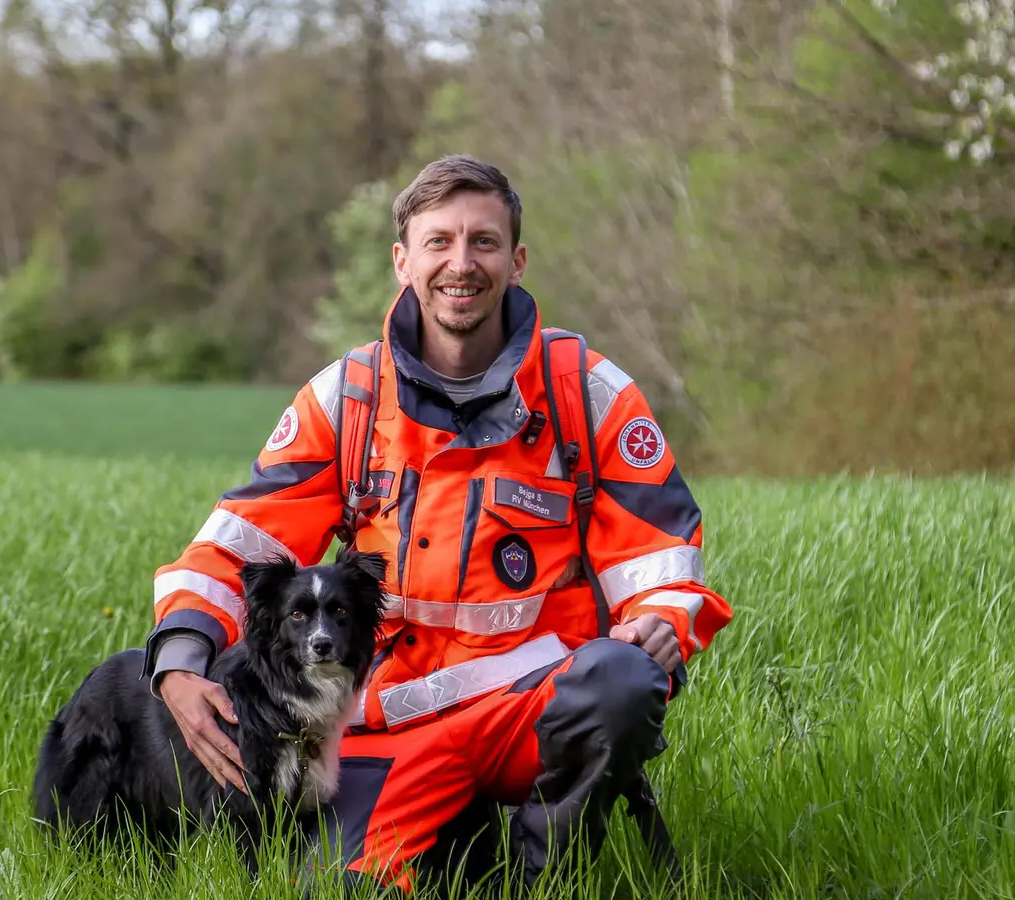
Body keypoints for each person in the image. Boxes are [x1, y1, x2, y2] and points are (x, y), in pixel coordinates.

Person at [140, 155, 733, 893]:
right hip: (394, 724)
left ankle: (542, 873)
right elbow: (242, 543)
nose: (462, 263)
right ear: (402, 261)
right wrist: (179, 654)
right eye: (439, 242)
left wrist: (660, 626)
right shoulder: (349, 398)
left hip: (535, 713)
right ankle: (460, 837)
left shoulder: (586, 390)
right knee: (335, 890)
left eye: (484, 242)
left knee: (620, 681)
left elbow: (664, 560)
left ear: (517, 261)